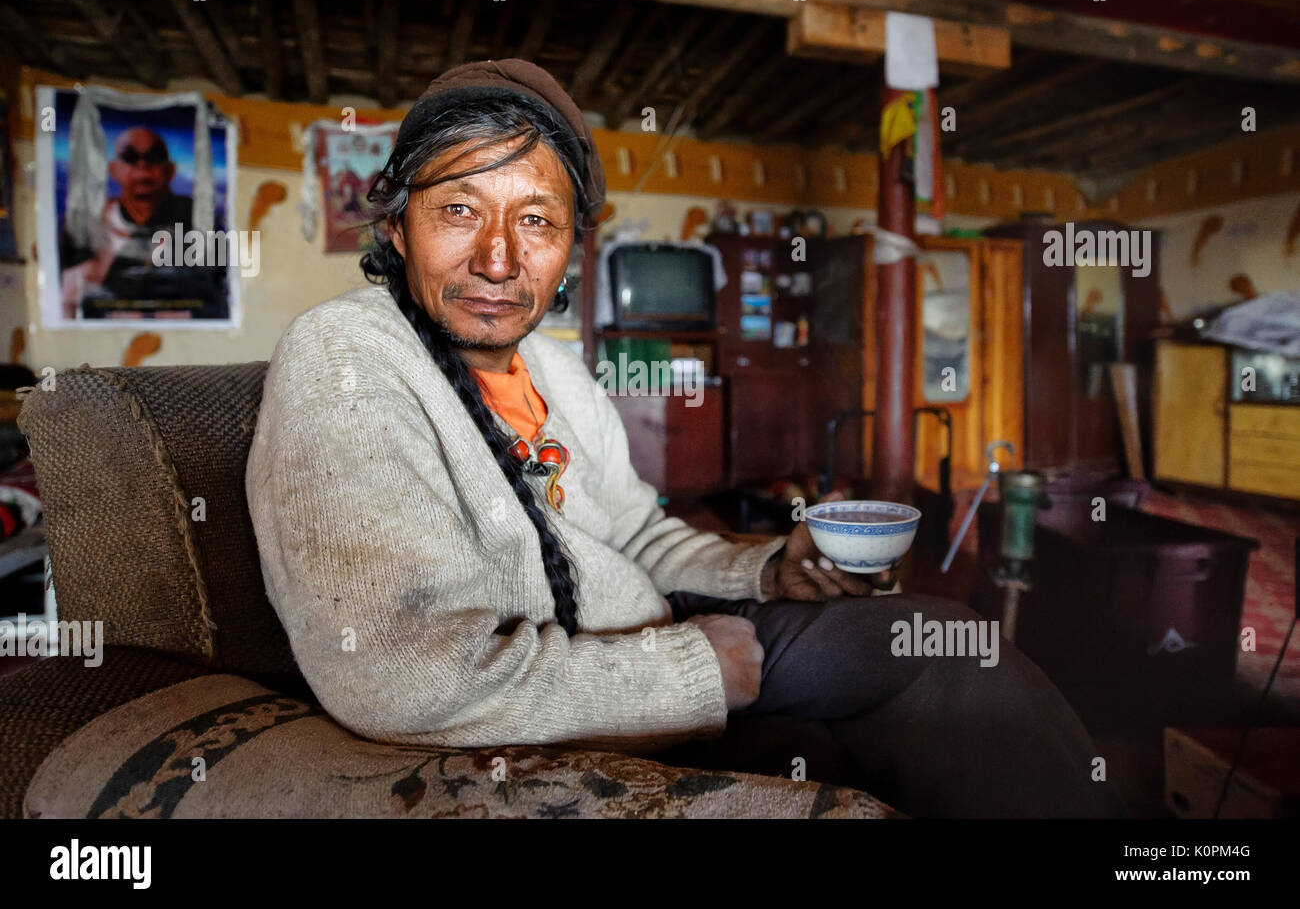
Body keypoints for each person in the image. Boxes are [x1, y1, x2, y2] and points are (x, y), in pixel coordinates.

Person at [245, 59, 1124, 819]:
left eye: (538, 220)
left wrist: (766, 569)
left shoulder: (556, 372)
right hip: (616, 678)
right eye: (460, 210)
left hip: (666, 629)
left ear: (570, 249)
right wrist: (684, 675)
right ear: (396, 226)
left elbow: (635, 532)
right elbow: (396, 671)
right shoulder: (345, 355)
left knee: (945, 644)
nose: (502, 259)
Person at [58, 126, 225, 319]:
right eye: (130, 157)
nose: (143, 165)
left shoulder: (202, 223)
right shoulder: (83, 228)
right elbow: (66, 305)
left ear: (170, 170)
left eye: (154, 157)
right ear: (113, 170)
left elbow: (216, 300)